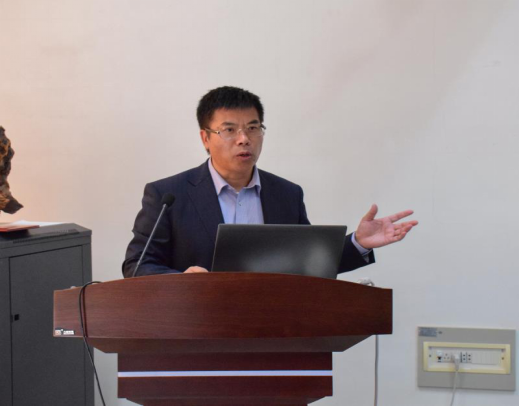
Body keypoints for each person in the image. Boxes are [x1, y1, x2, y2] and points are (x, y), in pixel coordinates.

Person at [122, 86, 417, 278]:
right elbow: (137, 265)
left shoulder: (286, 194)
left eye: (253, 128)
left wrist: (358, 243)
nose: (244, 138)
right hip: (193, 331)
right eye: (229, 130)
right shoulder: (168, 195)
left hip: (272, 330)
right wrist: (182, 280)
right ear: (205, 138)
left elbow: (309, 264)